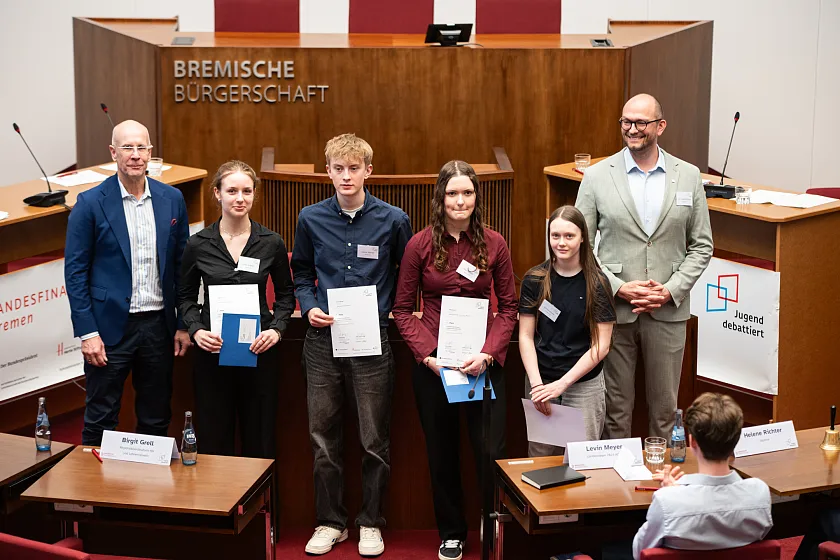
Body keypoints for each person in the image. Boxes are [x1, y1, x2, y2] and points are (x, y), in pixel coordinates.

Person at [291, 133, 413, 557]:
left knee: (373, 439)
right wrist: (308, 307)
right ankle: (330, 521)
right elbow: (302, 272)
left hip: (371, 340)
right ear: (327, 171)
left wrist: (389, 310)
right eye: (338, 168)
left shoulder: (394, 219)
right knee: (323, 437)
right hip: (322, 340)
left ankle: (371, 523)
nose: (346, 176)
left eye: (354, 168)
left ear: (368, 171)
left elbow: (406, 273)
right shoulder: (309, 218)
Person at [393, 160, 518, 560]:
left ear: (476, 198)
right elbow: (400, 309)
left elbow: (510, 308)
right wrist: (428, 357)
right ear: (440, 198)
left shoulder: (495, 243)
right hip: (436, 367)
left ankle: (491, 522)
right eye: (452, 193)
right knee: (441, 452)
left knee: (488, 450)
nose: (459, 200)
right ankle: (452, 531)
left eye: (467, 193)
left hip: (482, 363)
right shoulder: (419, 245)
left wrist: (488, 354)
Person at [575, 93, 713, 441]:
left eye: (640, 123)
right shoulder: (595, 177)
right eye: (626, 122)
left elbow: (702, 246)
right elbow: (582, 245)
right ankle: (617, 488)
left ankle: (661, 486)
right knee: (617, 409)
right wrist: (618, 286)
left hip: (668, 312)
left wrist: (671, 290)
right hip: (616, 310)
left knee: (665, 410)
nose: (632, 129)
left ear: (660, 126)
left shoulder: (689, 176)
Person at [64, 120, 192, 446]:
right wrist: (88, 333)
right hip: (108, 331)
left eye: (141, 148)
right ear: (113, 152)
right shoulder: (91, 203)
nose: (135, 155)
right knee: (101, 418)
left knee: (156, 416)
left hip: (158, 327)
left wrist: (182, 323)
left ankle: (147, 494)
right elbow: (75, 273)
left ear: (150, 153)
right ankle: (101, 496)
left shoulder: (172, 199)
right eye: (127, 148)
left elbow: (182, 267)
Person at [178, 160, 295, 458]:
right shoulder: (197, 244)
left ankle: (261, 506)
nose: (239, 198)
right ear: (217, 194)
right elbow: (186, 297)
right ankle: (219, 505)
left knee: (260, 441)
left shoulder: (271, 243)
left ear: (255, 194)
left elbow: (286, 295)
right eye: (231, 191)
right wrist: (196, 329)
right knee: (215, 439)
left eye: (246, 191)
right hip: (212, 353)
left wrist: (277, 330)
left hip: (259, 352)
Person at [520, 205, 616, 452]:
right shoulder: (535, 279)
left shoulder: (598, 283)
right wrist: (537, 385)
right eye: (555, 236)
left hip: (583, 385)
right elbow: (525, 336)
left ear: (583, 237)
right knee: (541, 460)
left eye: (569, 236)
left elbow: (601, 345)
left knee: (581, 464)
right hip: (541, 381)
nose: (561, 243)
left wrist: (562, 384)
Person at [631, 393, 772, 558]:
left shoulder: (666, 501)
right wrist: (677, 493)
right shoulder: (760, 494)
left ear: (692, 442)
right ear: (736, 441)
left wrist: (674, 494)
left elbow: (639, 552)